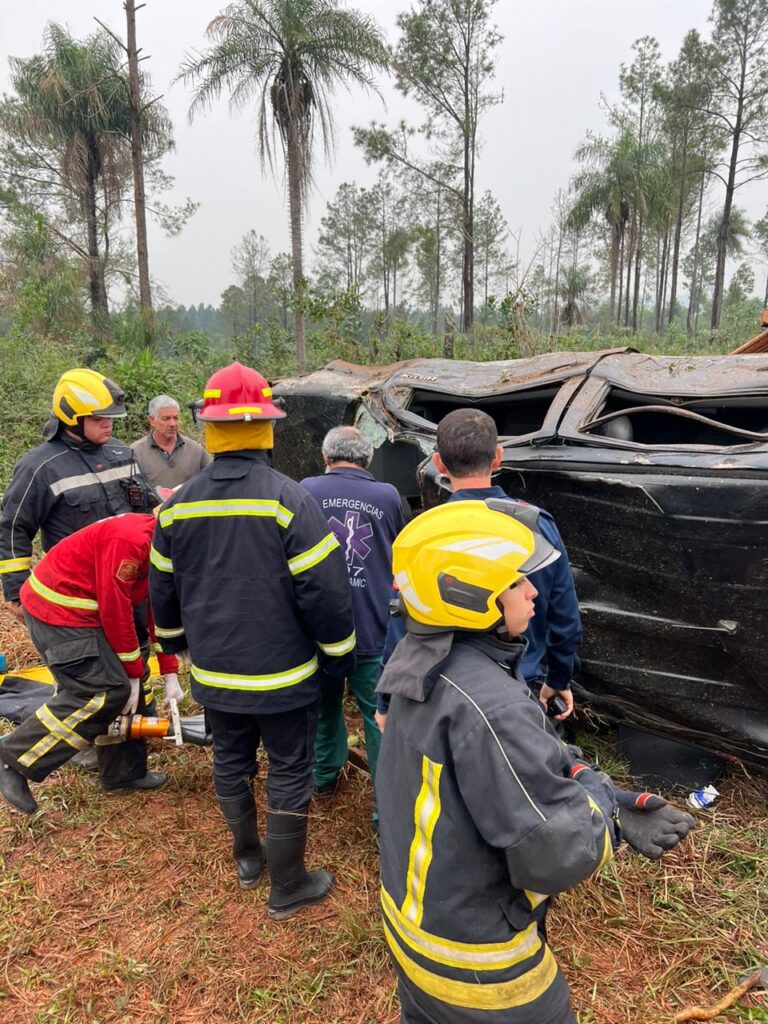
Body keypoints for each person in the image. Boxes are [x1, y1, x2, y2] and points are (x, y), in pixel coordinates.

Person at [375, 498, 696, 1024]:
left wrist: (596, 788)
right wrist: (605, 814)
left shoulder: (423, 661)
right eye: (517, 580)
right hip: (478, 968)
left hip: (416, 935)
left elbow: (505, 768)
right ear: (470, 595)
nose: (530, 591)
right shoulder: (491, 706)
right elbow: (555, 852)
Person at [149, 362, 356, 920]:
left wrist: (176, 647)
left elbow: (162, 593)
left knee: (230, 758)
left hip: (215, 674)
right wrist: (339, 656)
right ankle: (288, 884)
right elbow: (326, 593)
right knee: (289, 767)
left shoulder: (178, 506)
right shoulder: (290, 500)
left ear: (209, 427)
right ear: (267, 427)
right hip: (285, 675)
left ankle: (247, 858)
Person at [0, 368, 164, 792]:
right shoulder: (39, 466)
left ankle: (124, 771)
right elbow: (13, 528)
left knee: (135, 674)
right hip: (78, 597)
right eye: (99, 418)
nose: (108, 425)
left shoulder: (121, 454)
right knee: (96, 681)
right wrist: (16, 592)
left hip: (129, 582)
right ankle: (66, 749)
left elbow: (146, 508)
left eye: (112, 417)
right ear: (70, 417)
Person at [376, 407, 581, 729]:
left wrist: (387, 701)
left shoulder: (425, 535)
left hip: (439, 696)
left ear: (439, 463)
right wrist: (558, 679)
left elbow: (403, 621)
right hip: (520, 690)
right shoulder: (537, 525)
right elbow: (565, 618)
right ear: (498, 457)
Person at [0, 514, 180, 815]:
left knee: (123, 680)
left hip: (88, 612)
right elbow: (115, 608)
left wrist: (170, 670)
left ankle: (123, 772)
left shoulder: (162, 546)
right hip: (60, 611)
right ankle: (13, 757)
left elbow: (155, 607)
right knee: (102, 691)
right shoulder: (132, 541)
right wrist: (132, 671)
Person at [300, 426, 405, 806]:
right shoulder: (388, 496)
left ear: (326, 458)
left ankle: (324, 777)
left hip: (319, 628)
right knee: (378, 718)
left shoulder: (305, 489)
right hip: (371, 627)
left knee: (323, 708)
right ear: (368, 459)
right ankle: (386, 806)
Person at [131, 394, 210, 491]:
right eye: (166, 419)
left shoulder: (195, 450)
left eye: (175, 418)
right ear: (151, 420)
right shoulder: (136, 453)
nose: (173, 424)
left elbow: (211, 478)